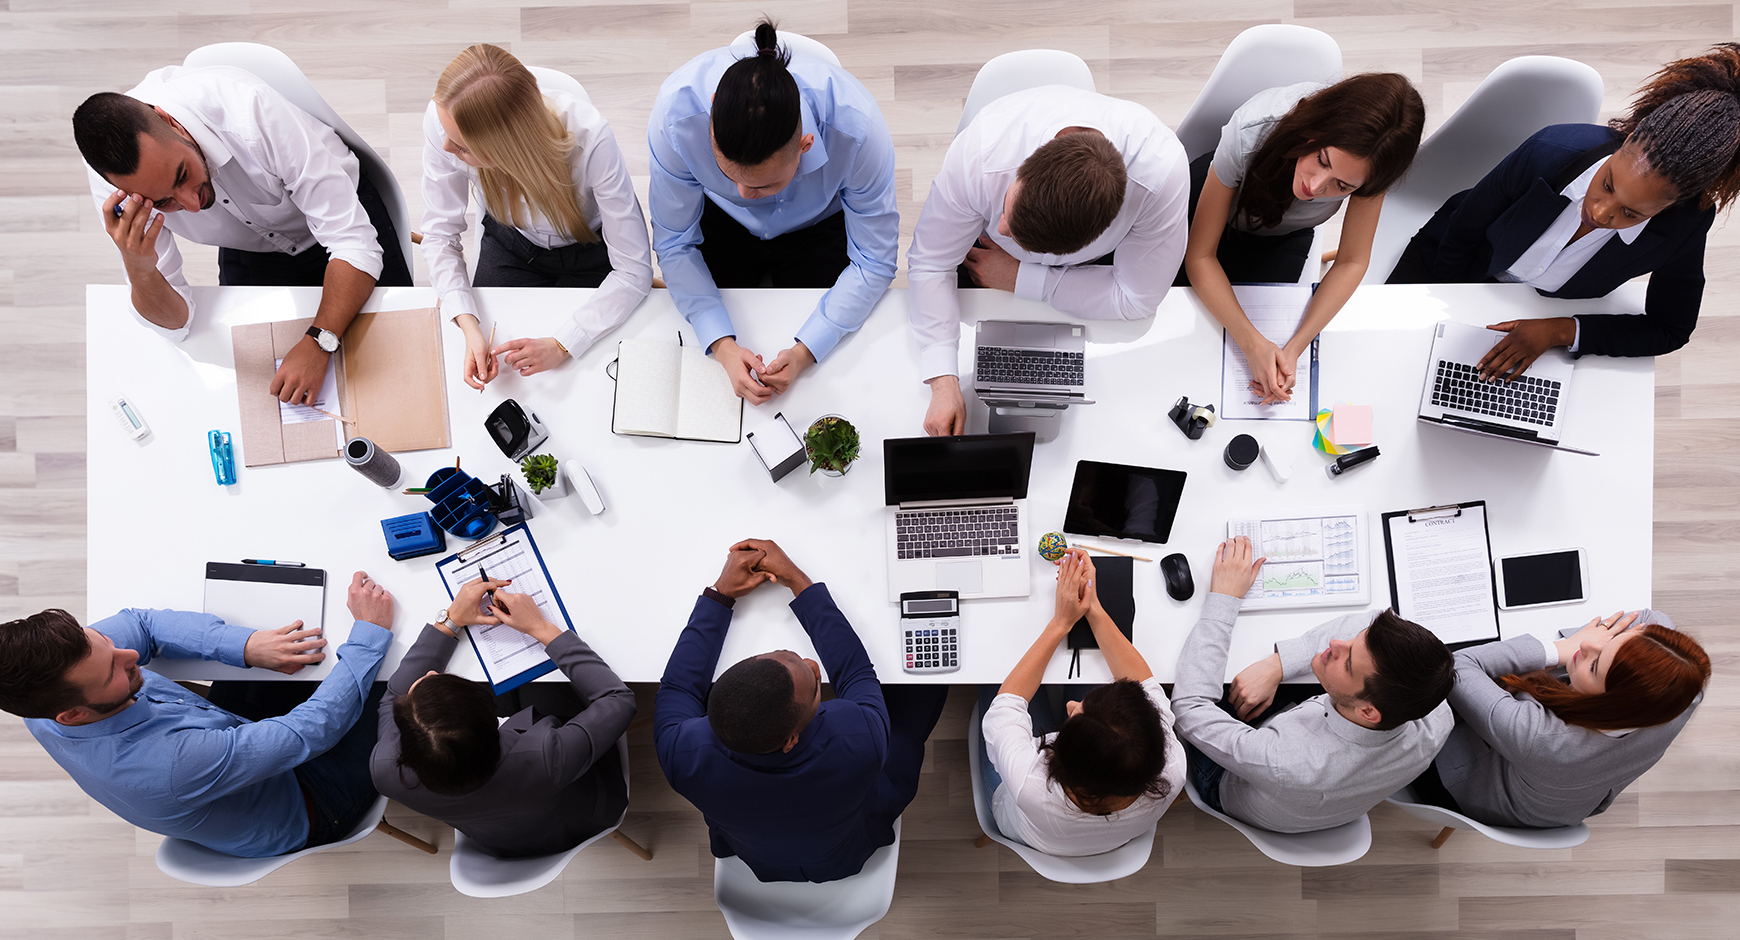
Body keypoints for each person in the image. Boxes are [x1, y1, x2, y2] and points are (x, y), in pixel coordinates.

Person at [1389, 44, 1740, 373]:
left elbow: (1670, 329)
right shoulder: (1552, 150)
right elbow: (1463, 229)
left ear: (1671, 207)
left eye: (1631, 214)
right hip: (1452, 264)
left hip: (1544, 310)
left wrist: (1560, 332)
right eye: (1606, 184)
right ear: (1625, 140)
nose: (1601, 214)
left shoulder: (1685, 225)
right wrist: (1453, 312)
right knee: (1390, 356)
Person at [73, 68, 413, 404]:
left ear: (171, 122)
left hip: (339, 213)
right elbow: (177, 325)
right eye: (164, 202)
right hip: (253, 246)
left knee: (404, 363)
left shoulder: (249, 110)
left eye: (182, 175)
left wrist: (317, 341)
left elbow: (354, 245)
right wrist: (140, 268)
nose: (192, 205)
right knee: (256, 394)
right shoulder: (115, 188)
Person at [0, 572, 395, 857]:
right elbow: (309, 733)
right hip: (310, 799)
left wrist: (245, 646)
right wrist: (369, 631)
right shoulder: (168, 765)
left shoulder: (44, 691)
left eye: (105, 642)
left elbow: (142, 624)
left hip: (228, 735)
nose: (131, 655)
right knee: (400, 686)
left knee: (294, 638)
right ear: (72, 715)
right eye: (113, 671)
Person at [655, 539, 948, 882]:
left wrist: (721, 593)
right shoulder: (857, 738)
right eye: (813, 684)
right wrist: (796, 579)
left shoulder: (680, 754)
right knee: (927, 688)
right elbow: (855, 673)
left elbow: (678, 687)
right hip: (844, 854)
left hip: (756, 852)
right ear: (791, 739)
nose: (812, 663)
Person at [908, 83, 1191, 436]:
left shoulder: (1162, 175)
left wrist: (1021, 278)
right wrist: (943, 379)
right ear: (1025, 167)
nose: (1000, 225)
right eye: (1008, 207)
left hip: (1073, 278)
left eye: (1011, 228)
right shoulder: (982, 151)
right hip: (986, 262)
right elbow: (930, 262)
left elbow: (1138, 298)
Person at [648, 20, 899, 405]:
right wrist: (722, 345)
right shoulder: (675, 115)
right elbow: (674, 243)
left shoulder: (858, 129)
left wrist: (804, 352)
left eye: (764, 185)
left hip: (819, 225)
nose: (745, 195)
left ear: (804, 145)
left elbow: (875, 260)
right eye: (726, 172)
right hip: (720, 220)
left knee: (836, 376)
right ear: (713, 107)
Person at [1172, 537, 1455, 833]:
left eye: (1347, 663)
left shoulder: (1287, 760)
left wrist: (1224, 599)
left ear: (1367, 712)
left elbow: (1189, 708)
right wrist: (1277, 665)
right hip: (1308, 784)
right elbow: (1374, 618)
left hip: (1230, 780)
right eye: (1357, 638)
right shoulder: (1435, 715)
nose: (1335, 643)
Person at [1180, 74, 1424, 405]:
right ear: (1315, 130)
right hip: (1206, 211)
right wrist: (1251, 344)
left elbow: (1352, 261)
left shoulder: (1373, 165)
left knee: (1259, 348)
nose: (1316, 186)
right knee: (1181, 324)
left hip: (1280, 238)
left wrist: (1296, 346)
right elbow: (1200, 257)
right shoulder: (1253, 129)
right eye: (1322, 160)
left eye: (1342, 186)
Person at [422, 44, 654, 389]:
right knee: (506, 381)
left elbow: (634, 271)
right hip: (510, 243)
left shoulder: (592, 141)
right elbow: (440, 234)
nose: (447, 150)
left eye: (463, 148)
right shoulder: (445, 124)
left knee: (591, 378)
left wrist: (562, 345)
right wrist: (469, 324)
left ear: (508, 147)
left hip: (589, 251)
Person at [370, 576, 636, 858]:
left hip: (496, 838)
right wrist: (539, 627)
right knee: (546, 681)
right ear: (493, 718)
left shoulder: (384, 768)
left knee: (512, 679)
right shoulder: (545, 756)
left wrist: (449, 622)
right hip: (578, 816)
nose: (431, 673)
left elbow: (392, 696)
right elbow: (618, 699)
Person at [1413, 610, 1709, 829]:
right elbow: (1651, 616)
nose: (1587, 646)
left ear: (1609, 704)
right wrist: (1592, 651)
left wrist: (1560, 649)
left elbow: (1456, 666)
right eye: (1609, 643)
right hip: (1570, 795)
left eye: (1594, 666)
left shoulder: (1542, 739)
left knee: (1421, 680)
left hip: (1466, 785)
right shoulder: (1683, 688)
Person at [978, 549, 1184, 856]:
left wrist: (1060, 623)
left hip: (1023, 822)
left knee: (992, 677)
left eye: (1076, 715)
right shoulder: (1171, 767)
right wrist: (1094, 609)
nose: (1072, 705)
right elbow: (1145, 686)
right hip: (1112, 833)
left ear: (1061, 760)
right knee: (1094, 668)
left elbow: (1006, 705)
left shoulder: (1031, 784)